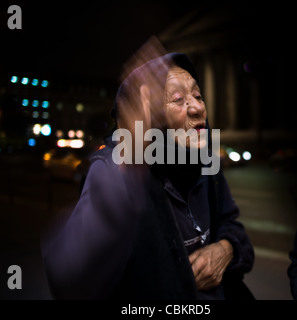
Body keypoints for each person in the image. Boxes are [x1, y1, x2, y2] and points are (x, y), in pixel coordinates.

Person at [41, 41, 255, 300]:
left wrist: (226, 249)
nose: (198, 107)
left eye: (197, 96)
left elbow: (233, 227)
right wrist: (131, 166)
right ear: (150, 119)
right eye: (178, 99)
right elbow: (69, 279)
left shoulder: (205, 161)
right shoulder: (116, 168)